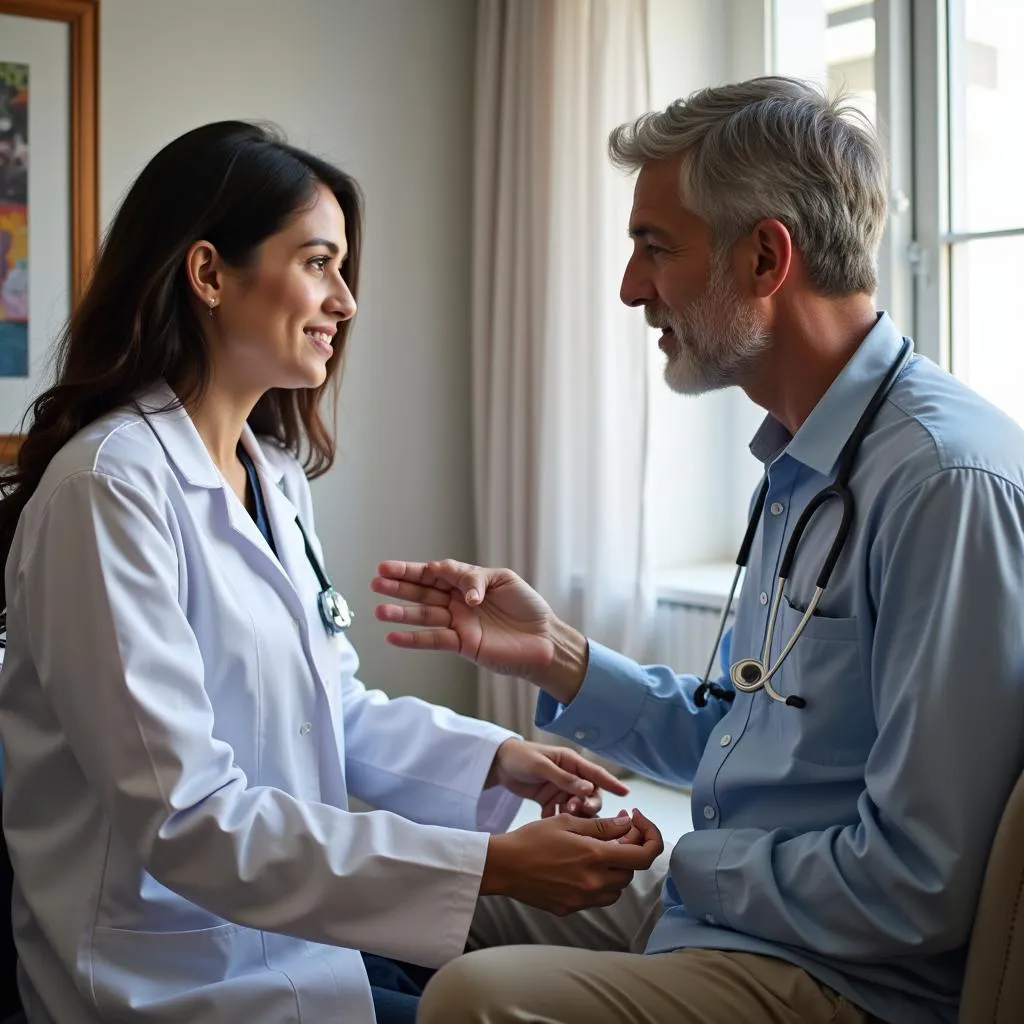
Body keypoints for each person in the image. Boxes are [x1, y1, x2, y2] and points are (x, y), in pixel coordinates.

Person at [372, 77, 1024, 1024]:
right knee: (420, 882)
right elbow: (740, 732)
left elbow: (918, 882)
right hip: (740, 919)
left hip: (845, 977)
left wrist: (686, 861)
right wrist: (560, 656)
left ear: (765, 256)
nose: (632, 288)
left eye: (653, 247)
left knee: (479, 999)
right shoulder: (805, 460)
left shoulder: (942, 488)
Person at [0, 121, 664, 1024]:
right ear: (208, 275)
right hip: (162, 984)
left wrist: (498, 761)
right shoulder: (108, 490)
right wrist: (488, 868)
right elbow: (185, 818)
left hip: (292, 951)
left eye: (344, 269)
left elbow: (331, 714)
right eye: (318, 263)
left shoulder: (269, 475)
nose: (346, 302)